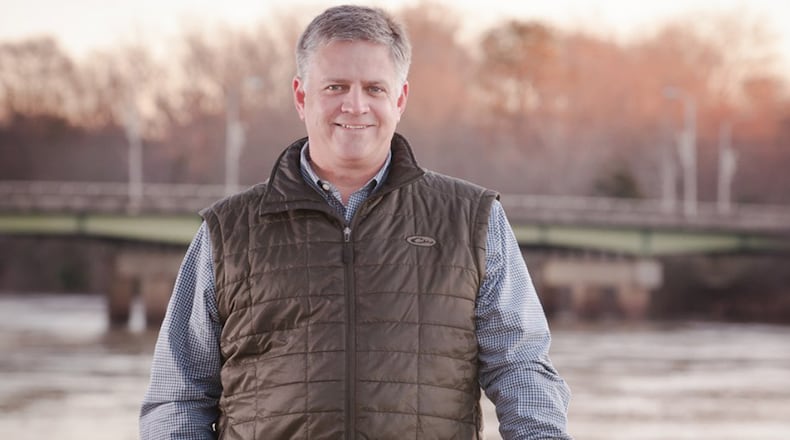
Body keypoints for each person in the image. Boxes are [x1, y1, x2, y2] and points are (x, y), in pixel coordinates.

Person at [140, 5, 571, 439]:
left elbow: (522, 369)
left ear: (399, 99)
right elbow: (179, 398)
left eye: (374, 88)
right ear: (301, 95)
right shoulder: (227, 231)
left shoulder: (474, 219)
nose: (355, 105)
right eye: (335, 86)